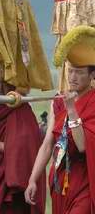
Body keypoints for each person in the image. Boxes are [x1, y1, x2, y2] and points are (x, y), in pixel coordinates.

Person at [25, 25, 95, 213]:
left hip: (84, 183)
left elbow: (82, 146)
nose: (72, 77)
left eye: (79, 72)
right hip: (59, 183)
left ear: (92, 75)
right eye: (70, 71)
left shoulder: (92, 102)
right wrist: (33, 179)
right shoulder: (57, 102)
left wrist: (71, 109)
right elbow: (48, 144)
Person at [0, 67, 45, 214]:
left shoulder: (22, 110)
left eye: (4, 84)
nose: (0, 89)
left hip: (13, 190)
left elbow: (25, 148)